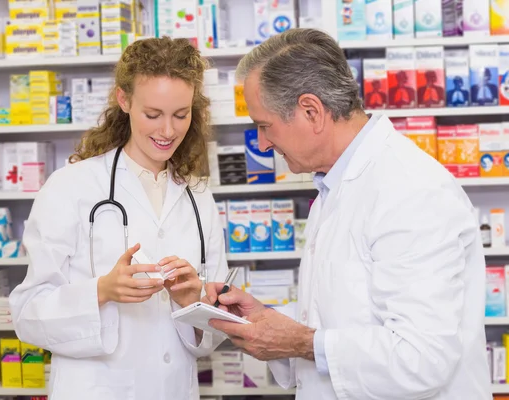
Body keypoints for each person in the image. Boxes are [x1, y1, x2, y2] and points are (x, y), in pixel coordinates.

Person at [204, 28, 491, 399]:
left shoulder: (410, 190)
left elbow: (423, 358)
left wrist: (302, 343)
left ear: (312, 111)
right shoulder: (334, 183)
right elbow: (344, 313)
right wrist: (264, 319)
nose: (262, 143)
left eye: (264, 125)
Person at [9, 37, 228, 400]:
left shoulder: (198, 196)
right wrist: (102, 291)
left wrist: (193, 300)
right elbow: (27, 314)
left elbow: (213, 330)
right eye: (153, 115)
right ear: (124, 100)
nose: (168, 131)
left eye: (181, 114)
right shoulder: (71, 186)